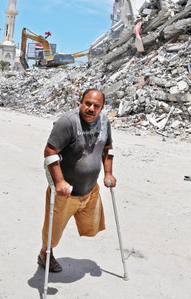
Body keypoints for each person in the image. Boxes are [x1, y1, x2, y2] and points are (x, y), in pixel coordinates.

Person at [38, 88, 114, 273]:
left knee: (92, 226)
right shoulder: (67, 122)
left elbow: (108, 149)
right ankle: (45, 254)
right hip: (65, 192)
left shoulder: (104, 122)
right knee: (52, 233)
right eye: (87, 103)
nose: (91, 108)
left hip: (90, 191)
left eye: (96, 106)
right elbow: (50, 152)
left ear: (102, 107)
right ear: (80, 102)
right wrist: (59, 182)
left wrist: (108, 174)